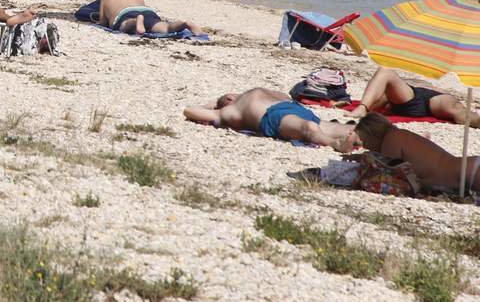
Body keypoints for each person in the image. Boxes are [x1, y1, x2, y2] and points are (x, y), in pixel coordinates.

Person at [345, 113, 480, 194]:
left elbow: (387, 173)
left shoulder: (392, 139)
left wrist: (363, 161)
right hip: (468, 168)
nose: (365, 146)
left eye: (362, 140)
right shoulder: (398, 136)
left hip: (468, 173)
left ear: (372, 134)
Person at [184, 87, 354, 149]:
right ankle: (334, 143)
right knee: (308, 127)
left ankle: (368, 138)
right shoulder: (231, 111)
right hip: (274, 116)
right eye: (226, 96)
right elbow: (189, 111)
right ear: (227, 101)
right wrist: (211, 104)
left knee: (345, 129)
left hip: (294, 109)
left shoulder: (255, 95)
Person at [350, 67, 479, 126]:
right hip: (416, 95)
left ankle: (362, 107)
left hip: (429, 96)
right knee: (457, 111)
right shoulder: (390, 92)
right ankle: (363, 107)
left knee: (457, 112)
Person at [99, 0, 203, 36]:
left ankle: (135, 22)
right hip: (147, 12)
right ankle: (185, 24)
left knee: (126, 24)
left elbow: (103, 22)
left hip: (125, 13)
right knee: (165, 27)